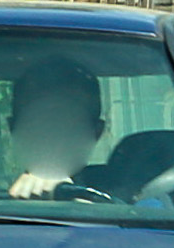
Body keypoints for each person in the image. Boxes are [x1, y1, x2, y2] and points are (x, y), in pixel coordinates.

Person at [7, 66, 107, 198]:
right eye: (37, 121)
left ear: (96, 132)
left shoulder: (131, 202)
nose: (51, 135)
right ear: (13, 128)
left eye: (68, 121)